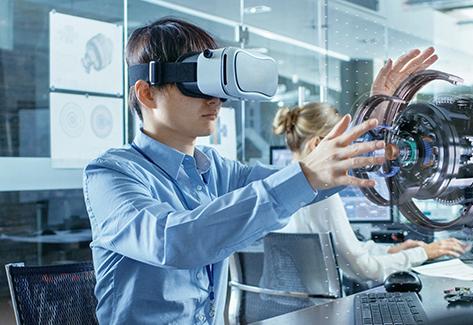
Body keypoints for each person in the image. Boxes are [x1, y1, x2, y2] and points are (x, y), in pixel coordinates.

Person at [82, 17, 399, 325]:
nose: (215, 99)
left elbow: (318, 183)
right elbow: (173, 241)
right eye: (196, 83)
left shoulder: (217, 171)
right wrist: (305, 174)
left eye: (217, 86)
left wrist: (373, 126)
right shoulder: (110, 174)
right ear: (147, 93)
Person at [273, 107, 466, 282]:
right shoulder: (320, 195)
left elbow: (348, 253)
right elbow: (364, 269)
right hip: (316, 315)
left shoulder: (278, 186)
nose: (348, 153)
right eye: (342, 144)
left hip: (281, 313)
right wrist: (425, 252)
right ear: (317, 145)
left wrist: (391, 250)